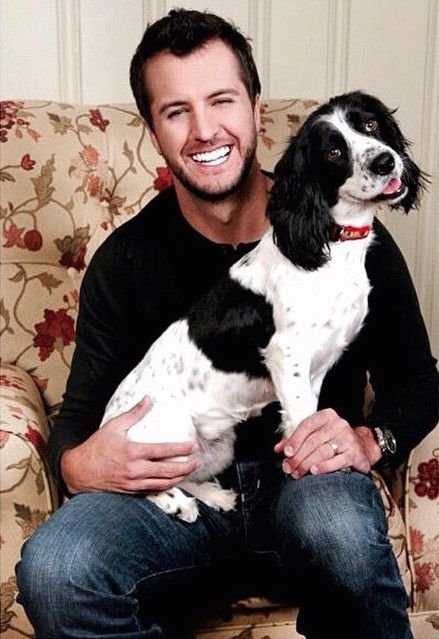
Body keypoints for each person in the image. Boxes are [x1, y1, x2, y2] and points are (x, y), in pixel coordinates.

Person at [16, 9, 438, 639]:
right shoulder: (124, 260)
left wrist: (370, 440)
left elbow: (419, 383)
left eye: (221, 99)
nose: (204, 128)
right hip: (176, 499)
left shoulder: (355, 233)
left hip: (305, 491)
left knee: (340, 530)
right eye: (176, 110)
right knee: (57, 568)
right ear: (152, 132)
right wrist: (83, 466)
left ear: (255, 106)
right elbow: (76, 421)